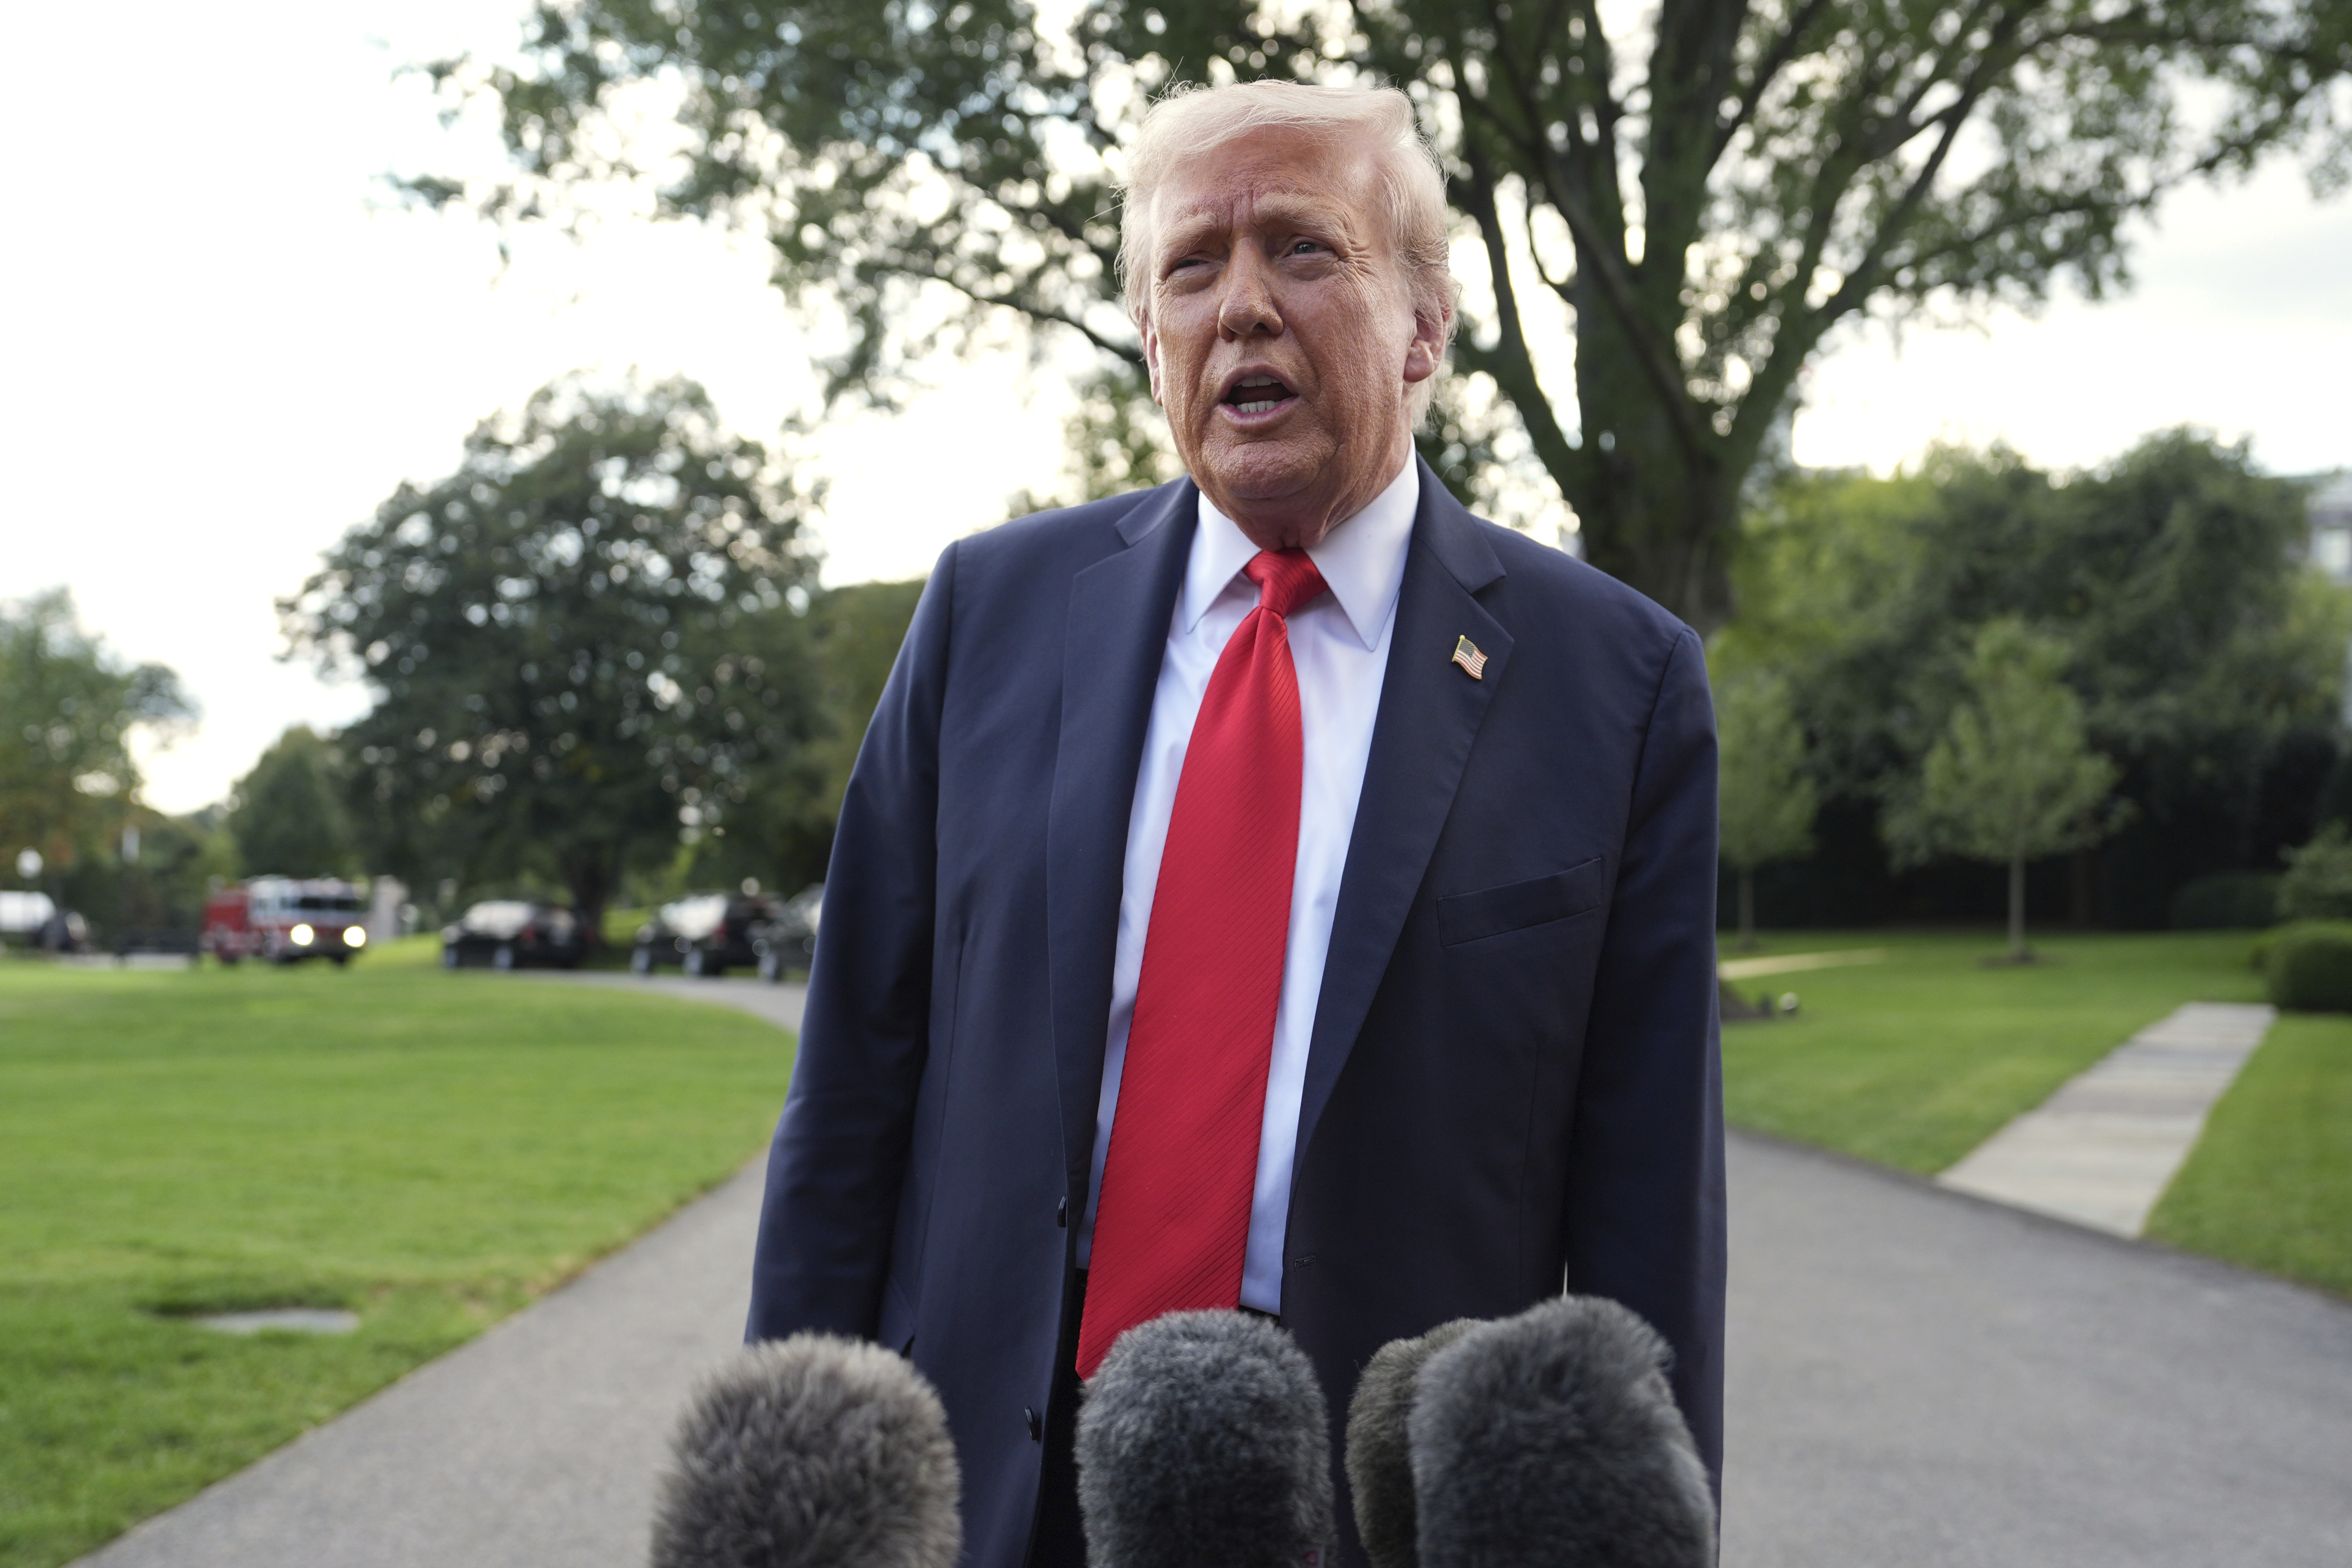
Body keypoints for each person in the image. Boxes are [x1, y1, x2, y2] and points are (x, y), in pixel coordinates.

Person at [746, 79, 1724, 1568]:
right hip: (1002, 1479)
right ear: (1151, 340)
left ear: (1424, 321)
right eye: (1192, 268)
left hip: (1371, 1496)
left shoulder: (1620, 681)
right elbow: (851, 1095)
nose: (1242, 305)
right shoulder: (985, 617)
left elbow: (1651, 1204)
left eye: (1305, 249)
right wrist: (789, 1503)